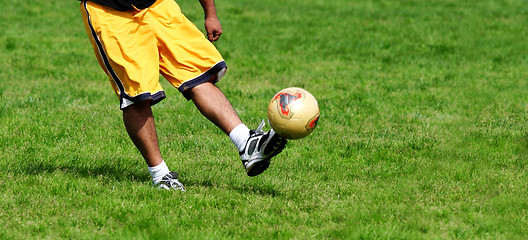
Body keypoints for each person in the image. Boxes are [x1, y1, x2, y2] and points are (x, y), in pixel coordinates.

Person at [79, 0, 287, 191]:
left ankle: (246, 143)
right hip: (111, 13)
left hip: (157, 6)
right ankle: (161, 175)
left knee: (197, 75)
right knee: (138, 94)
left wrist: (210, 13)